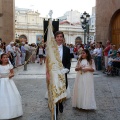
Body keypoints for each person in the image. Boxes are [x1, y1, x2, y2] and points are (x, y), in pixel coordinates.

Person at [0, 53, 23, 119]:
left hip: (8, 82)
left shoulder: (9, 66)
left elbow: (12, 73)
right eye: (4, 57)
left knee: (10, 94)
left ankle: (12, 111)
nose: (5, 59)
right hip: (1, 81)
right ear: (1, 59)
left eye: (6, 57)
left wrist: (11, 75)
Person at [54, 31, 71, 114]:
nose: (59, 38)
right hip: (54, 73)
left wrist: (67, 69)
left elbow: (68, 62)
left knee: (63, 88)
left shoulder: (67, 49)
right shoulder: (51, 49)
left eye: (61, 36)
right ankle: (56, 107)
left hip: (63, 73)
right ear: (55, 38)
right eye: (58, 36)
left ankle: (60, 103)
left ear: (63, 38)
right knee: (55, 90)